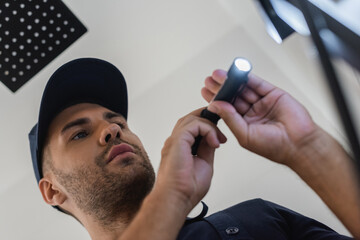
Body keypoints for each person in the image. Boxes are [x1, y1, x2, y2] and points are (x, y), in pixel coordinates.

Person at [29, 58, 360, 240]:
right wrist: (171, 195)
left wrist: (307, 147)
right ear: (52, 190)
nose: (111, 129)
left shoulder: (259, 219)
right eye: (79, 134)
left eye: (118, 122)